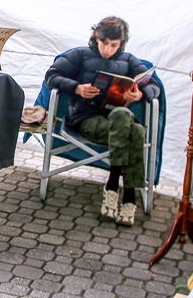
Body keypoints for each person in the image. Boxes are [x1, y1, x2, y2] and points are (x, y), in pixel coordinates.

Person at [44, 16, 160, 226]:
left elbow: (154, 86)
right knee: (134, 130)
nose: (108, 49)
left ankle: (116, 189)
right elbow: (51, 76)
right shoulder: (79, 54)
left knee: (130, 124)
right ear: (97, 36)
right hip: (85, 120)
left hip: (116, 123)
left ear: (121, 43)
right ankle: (125, 193)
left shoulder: (129, 61)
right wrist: (77, 88)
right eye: (104, 43)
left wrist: (141, 94)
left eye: (114, 45)